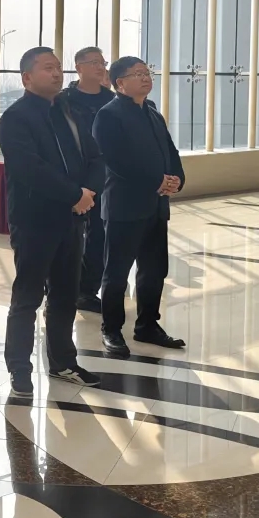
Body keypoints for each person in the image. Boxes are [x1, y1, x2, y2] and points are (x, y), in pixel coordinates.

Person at [0, 47, 103, 398]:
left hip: (73, 219)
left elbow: (95, 156)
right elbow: (30, 169)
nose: (57, 73)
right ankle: (19, 367)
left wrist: (88, 192)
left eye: (58, 67)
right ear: (27, 77)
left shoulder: (68, 112)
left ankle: (62, 362)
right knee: (27, 297)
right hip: (35, 221)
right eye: (47, 68)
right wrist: (74, 194)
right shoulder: (15, 118)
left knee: (65, 296)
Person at [92, 56, 186, 357]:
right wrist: (157, 181)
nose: (146, 78)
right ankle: (111, 329)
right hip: (124, 206)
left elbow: (169, 150)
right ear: (120, 83)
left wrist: (176, 179)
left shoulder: (153, 112)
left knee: (154, 269)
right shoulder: (108, 115)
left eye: (147, 72)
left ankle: (147, 325)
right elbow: (117, 162)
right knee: (117, 272)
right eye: (137, 74)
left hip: (156, 206)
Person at [60, 46, 116, 315]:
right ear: (78, 67)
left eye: (102, 62)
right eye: (93, 62)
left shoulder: (112, 101)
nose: (99, 66)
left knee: (100, 236)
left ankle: (87, 290)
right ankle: (58, 288)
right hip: (71, 178)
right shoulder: (64, 100)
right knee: (67, 236)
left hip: (104, 177)